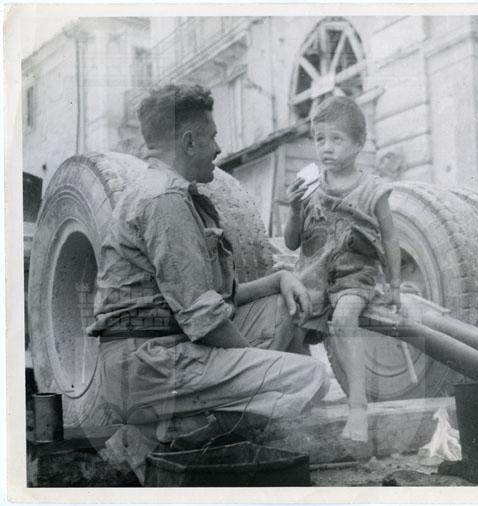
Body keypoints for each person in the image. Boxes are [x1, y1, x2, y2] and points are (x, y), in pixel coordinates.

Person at [85, 84, 329, 480]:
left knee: (283, 309)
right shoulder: (165, 200)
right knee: (309, 377)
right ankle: (154, 436)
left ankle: (188, 423)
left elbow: (214, 299)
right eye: (212, 137)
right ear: (189, 142)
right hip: (149, 365)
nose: (218, 148)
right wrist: (255, 364)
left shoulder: (163, 191)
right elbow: (206, 317)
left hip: (160, 353)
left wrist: (280, 278)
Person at [284, 96, 402, 443]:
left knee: (345, 319)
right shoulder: (309, 187)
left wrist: (395, 285)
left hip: (356, 276)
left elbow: (390, 238)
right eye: (320, 139)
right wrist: (294, 209)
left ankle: (357, 405)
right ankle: (306, 397)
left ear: (359, 143)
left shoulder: (372, 189)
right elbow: (291, 243)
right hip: (315, 275)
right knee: (289, 320)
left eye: (337, 139)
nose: (327, 147)